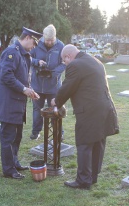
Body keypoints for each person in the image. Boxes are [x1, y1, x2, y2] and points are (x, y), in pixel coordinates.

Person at [51, 44, 119, 189]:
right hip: (105, 108)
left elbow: (68, 87)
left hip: (90, 111)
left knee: (84, 144)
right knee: (98, 142)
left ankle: (83, 180)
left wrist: (56, 101)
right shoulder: (95, 60)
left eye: (64, 61)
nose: (65, 64)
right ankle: (92, 176)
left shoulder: (75, 65)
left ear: (68, 56)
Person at [0, 27, 42, 179]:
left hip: (18, 104)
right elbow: (6, 76)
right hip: (9, 103)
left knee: (17, 136)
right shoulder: (11, 52)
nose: (35, 46)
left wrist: (30, 90)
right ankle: (8, 169)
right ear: (27, 37)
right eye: (34, 42)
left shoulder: (23, 54)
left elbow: (22, 77)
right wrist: (23, 89)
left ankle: (14, 162)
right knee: (8, 138)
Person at [29, 24, 65, 140]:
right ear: (43, 37)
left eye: (51, 40)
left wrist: (53, 73)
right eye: (47, 40)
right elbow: (27, 57)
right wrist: (37, 62)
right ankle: (36, 131)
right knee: (37, 109)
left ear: (55, 37)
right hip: (38, 84)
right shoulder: (36, 44)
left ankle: (58, 132)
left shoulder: (60, 46)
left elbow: (64, 63)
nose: (49, 42)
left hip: (53, 86)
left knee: (55, 109)